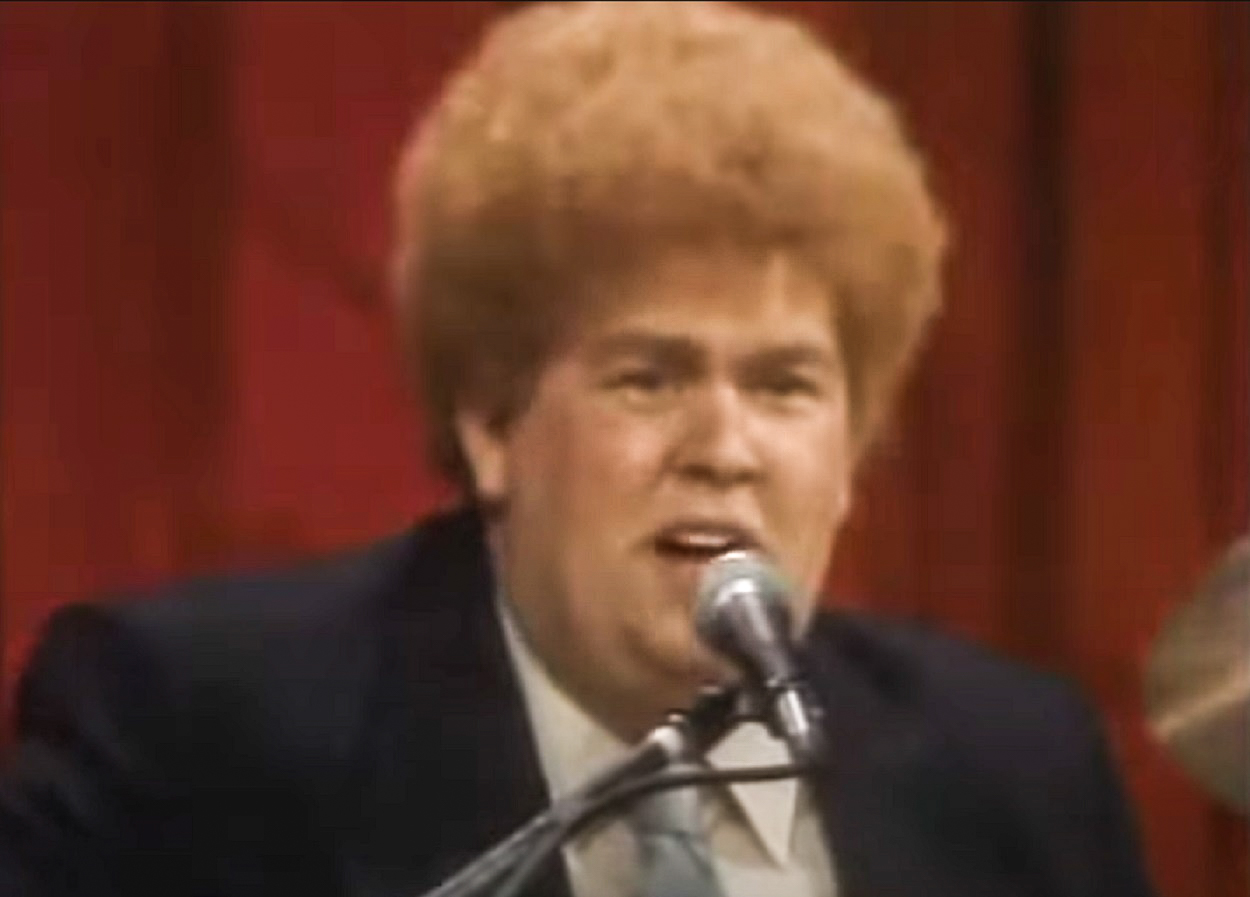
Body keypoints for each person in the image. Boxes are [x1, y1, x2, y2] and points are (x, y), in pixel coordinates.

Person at [0, 2, 1158, 896]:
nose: (724, 448)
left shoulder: (1015, 772)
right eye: (648, 378)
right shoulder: (192, 739)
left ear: (851, 452)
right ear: (490, 424)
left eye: (783, 387)